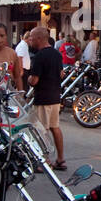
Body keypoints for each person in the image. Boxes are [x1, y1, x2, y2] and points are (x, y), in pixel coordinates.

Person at [25, 26, 68, 170]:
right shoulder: (56, 54)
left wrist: (28, 79)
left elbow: (34, 81)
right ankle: (61, 159)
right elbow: (61, 73)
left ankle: (44, 161)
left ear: (38, 38)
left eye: (31, 38)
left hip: (43, 97)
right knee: (55, 127)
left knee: (41, 130)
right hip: (55, 95)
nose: (30, 41)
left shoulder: (39, 56)